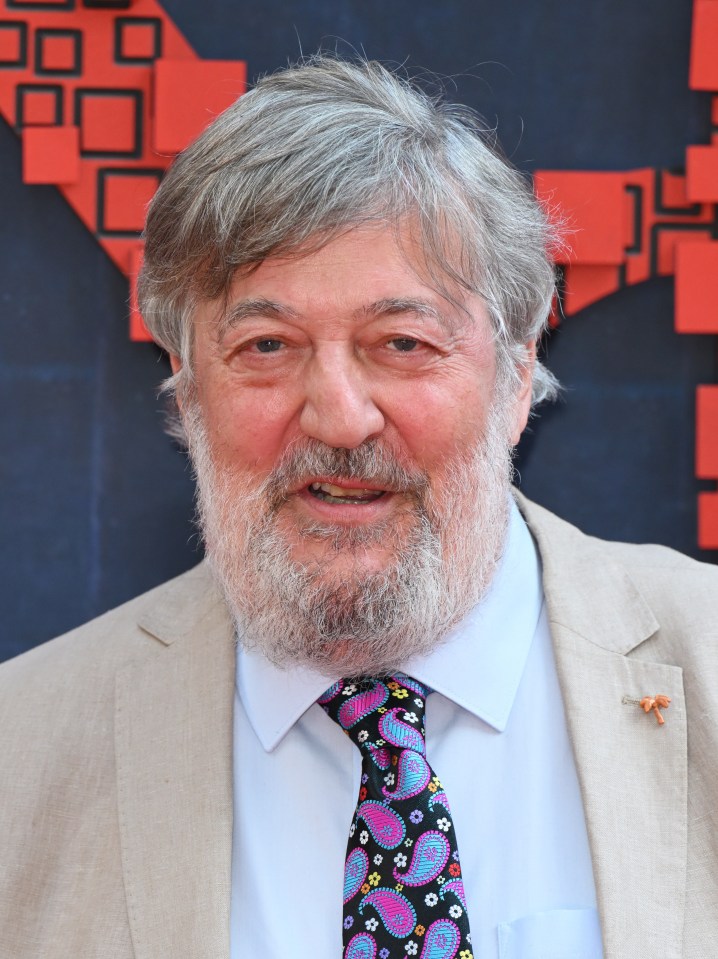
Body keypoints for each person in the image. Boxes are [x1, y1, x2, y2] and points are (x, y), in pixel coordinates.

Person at [0, 55, 716, 959]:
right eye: (267, 344)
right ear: (185, 390)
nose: (340, 416)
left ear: (518, 371)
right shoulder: (18, 757)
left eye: (403, 342)